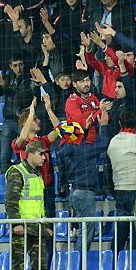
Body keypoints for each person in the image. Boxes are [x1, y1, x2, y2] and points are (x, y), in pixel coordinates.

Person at [54, 100, 113, 251]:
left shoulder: (69, 148)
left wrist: (85, 129)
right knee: (87, 231)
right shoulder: (86, 149)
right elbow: (104, 144)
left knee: (82, 228)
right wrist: (103, 126)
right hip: (85, 193)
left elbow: (77, 143)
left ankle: (77, 258)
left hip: (74, 191)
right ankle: (80, 259)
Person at [4, 141, 53, 270]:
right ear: (30, 154)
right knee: (17, 267)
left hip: (37, 229)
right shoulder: (17, 172)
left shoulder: (37, 175)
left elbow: (40, 205)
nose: (44, 158)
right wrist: (16, 223)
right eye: (41, 154)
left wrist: (45, 225)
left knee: (40, 268)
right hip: (22, 228)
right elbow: (11, 201)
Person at [107, 108, 136, 250]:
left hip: (119, 190)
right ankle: (133, 259)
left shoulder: (113, 141)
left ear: (120, 123)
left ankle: (114, 259)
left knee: (121, 228)